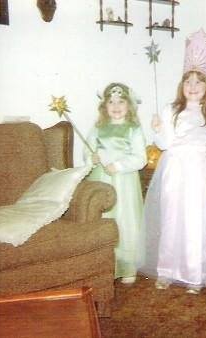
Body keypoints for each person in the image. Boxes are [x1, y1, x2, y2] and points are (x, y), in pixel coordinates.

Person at [141, 29, 206, 294]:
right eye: (188, 82)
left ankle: (195, 273)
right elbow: (165, 144)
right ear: (182, 86)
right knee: (173, 220)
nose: (192, 87)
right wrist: (158, 128)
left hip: (204, 173)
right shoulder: (171, 110)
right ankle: (167, 270)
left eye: (199, 82)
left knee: (200, 221)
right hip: (176, 170)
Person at [84, 82, 147, 284]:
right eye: (111, 102)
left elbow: (141, 158)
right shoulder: (98, 128)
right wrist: (90, 158)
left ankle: (127, 265)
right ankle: (104, 264)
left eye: (121, 101)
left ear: (129, 105)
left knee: (125, 220)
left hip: (125, 182)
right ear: (104, 106)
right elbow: (88, 149)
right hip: (100, 179)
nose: (116, 106)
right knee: (103, 218)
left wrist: (119, 166)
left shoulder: (133, 129)